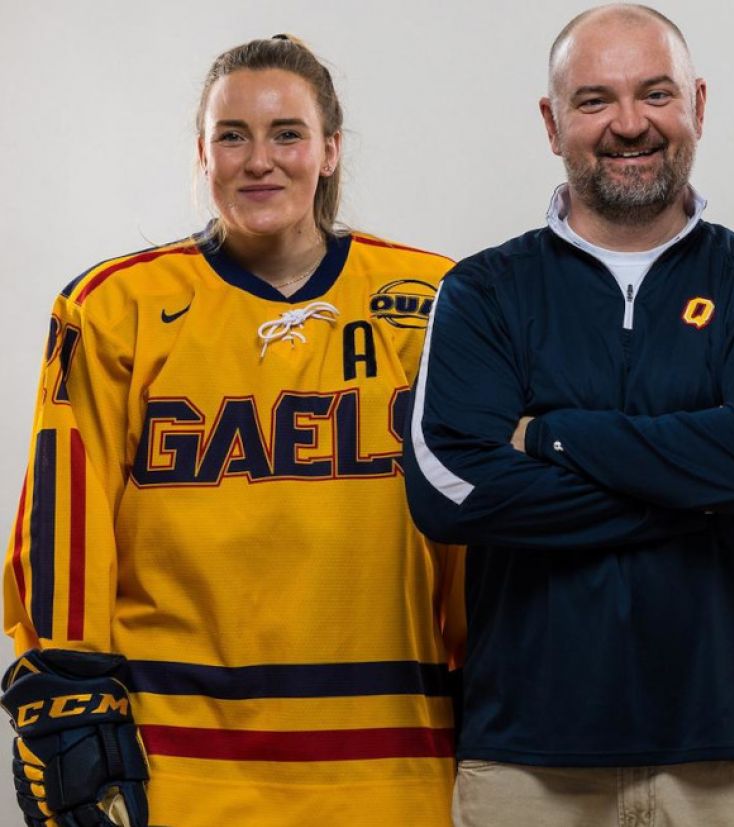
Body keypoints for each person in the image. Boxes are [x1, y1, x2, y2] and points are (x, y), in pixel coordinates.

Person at [0, 35, 463, 827]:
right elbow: (68, 518)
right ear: (202, 153)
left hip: (395, 767)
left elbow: (474, 528)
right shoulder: (114, 306)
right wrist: (65, 691)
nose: (260, 160)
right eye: (232, 135)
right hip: (176, 770)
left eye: (287, 133)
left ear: (329, 151)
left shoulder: (436, 297)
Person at [403, 4, 734, 826]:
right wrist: (697, 493)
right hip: (525, 762)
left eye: (655, 93)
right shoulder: (484, 292)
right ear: (551, 119)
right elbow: (449, 492)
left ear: (698, 103)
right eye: (594, 100)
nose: (629, 124)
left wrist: (554, 435)